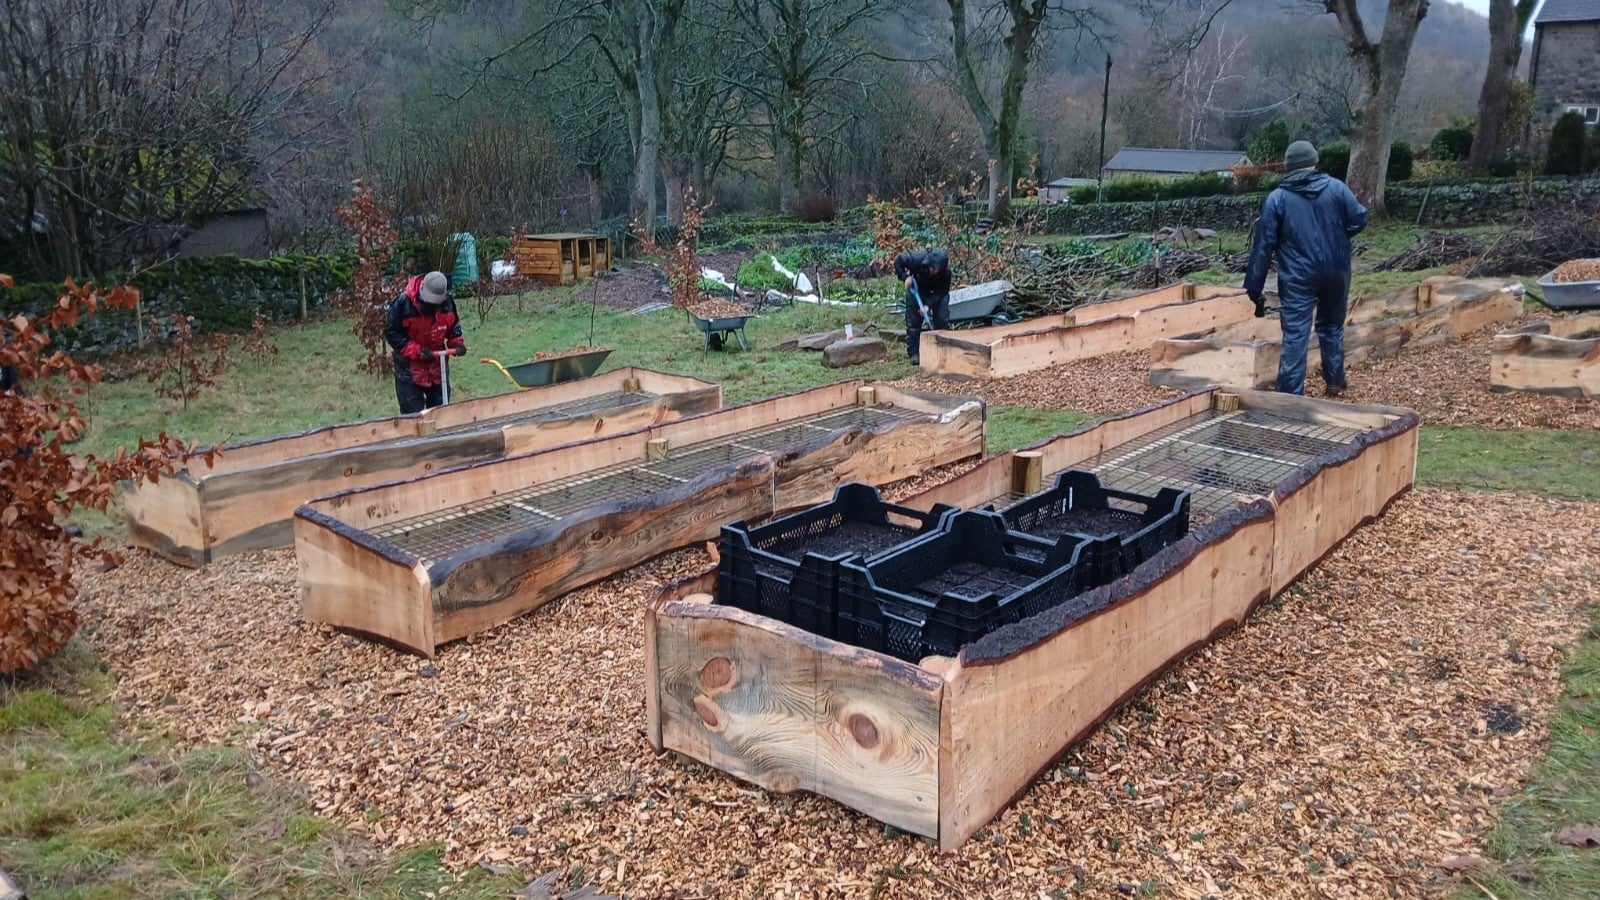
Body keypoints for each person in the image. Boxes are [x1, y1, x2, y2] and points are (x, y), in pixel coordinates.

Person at [1244, 140, 1368, 397]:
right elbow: (1359, 218)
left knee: (1296, 333)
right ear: (1313, 162)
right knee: (1332, 325)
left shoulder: (1277, 199)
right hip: (1336, 271)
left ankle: (1290, 394)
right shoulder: (1336, 188)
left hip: (1298, 275)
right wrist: (1338, 237)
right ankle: (1334, 380)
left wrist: (1254, 287)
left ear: (1289, 167)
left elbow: (1264, 246)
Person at [385, 270, 465, 414]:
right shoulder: (403, 304)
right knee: (413, 416)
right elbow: (393, 333)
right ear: (422, 290)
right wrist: (417, 350)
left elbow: (453, 326)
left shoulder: (448, 304)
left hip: (437, 366)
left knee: (441, 412)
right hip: (409, 368)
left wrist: (456, 343)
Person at [893, 248, 951, 365]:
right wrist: (905, 277)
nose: (934, 271)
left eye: (937, 270)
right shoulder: (916, 258)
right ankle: (915, 353)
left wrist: (928, 305)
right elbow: (898, 261)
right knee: (913, 322)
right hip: (917, 288)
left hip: (936, 293)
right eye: (932, 268)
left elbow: (941, 292)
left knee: (941, 319)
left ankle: (942, 348)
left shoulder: (946, 273)